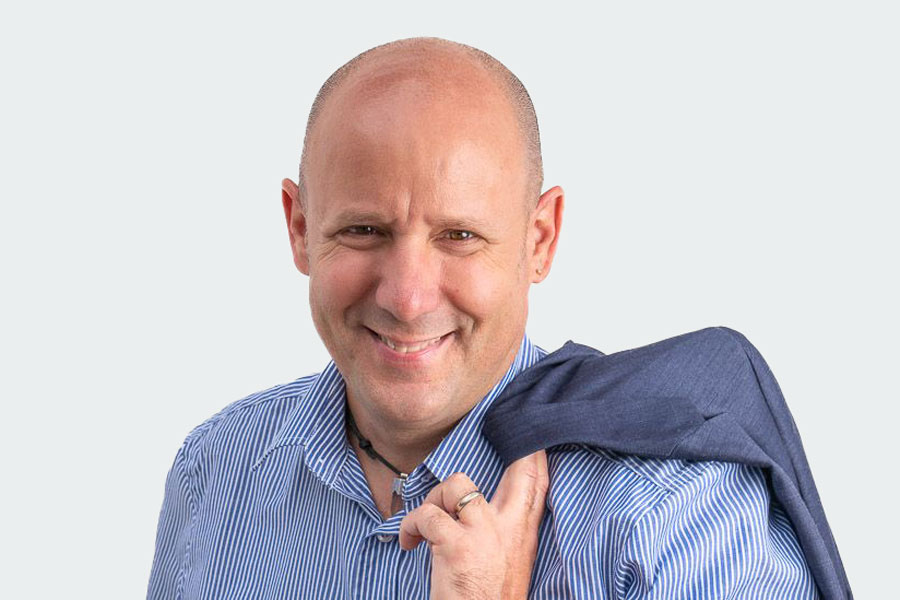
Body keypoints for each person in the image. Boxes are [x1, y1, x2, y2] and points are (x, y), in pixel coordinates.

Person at [147, 37, 819, 599]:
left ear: (540, 240)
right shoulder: (215, 472)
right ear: (298, 229)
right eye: (363, 230)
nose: (408, 299)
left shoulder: (674, 509)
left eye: (460, 236)